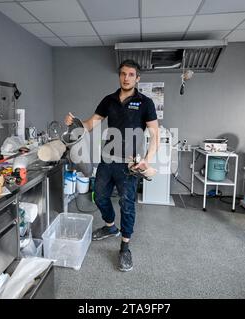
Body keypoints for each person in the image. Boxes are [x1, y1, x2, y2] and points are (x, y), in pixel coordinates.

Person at [65, 59, 159, 272]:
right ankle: (110, 227)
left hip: (129, 164)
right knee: (98, 195)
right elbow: (90, 124)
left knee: (127, 204)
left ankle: (125, 246)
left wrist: (148, 158)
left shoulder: (145, 102)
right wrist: (75, 123)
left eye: (131, 74)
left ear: (137, 78)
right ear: (119, 76)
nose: (126, 78)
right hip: (107, 159)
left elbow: (155, 134)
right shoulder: (108, 100)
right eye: (123, 74)